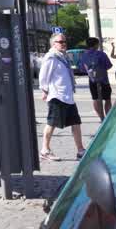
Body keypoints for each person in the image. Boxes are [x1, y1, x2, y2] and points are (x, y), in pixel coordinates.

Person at [38, 33, 85, 162]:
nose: (64, 44)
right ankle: (45, 150)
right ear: (54, 44)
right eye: (60, 42)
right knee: (51, 123)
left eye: (65, 41)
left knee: (76, 122)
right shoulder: (51, 57)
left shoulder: (62, 57)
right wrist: (45, 90)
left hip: (67, 96)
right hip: (57, 96)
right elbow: (43, 76)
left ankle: (80, 150)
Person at [78, 38, 113, 120]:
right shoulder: (101, 54)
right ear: (96, 44)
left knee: (95, 99)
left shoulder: (84, 55)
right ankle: (107, 118)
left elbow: (82, 69)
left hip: (92, 80)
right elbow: (109, 66)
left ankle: (101, 117)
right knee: (107, 99)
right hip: (104, 80)